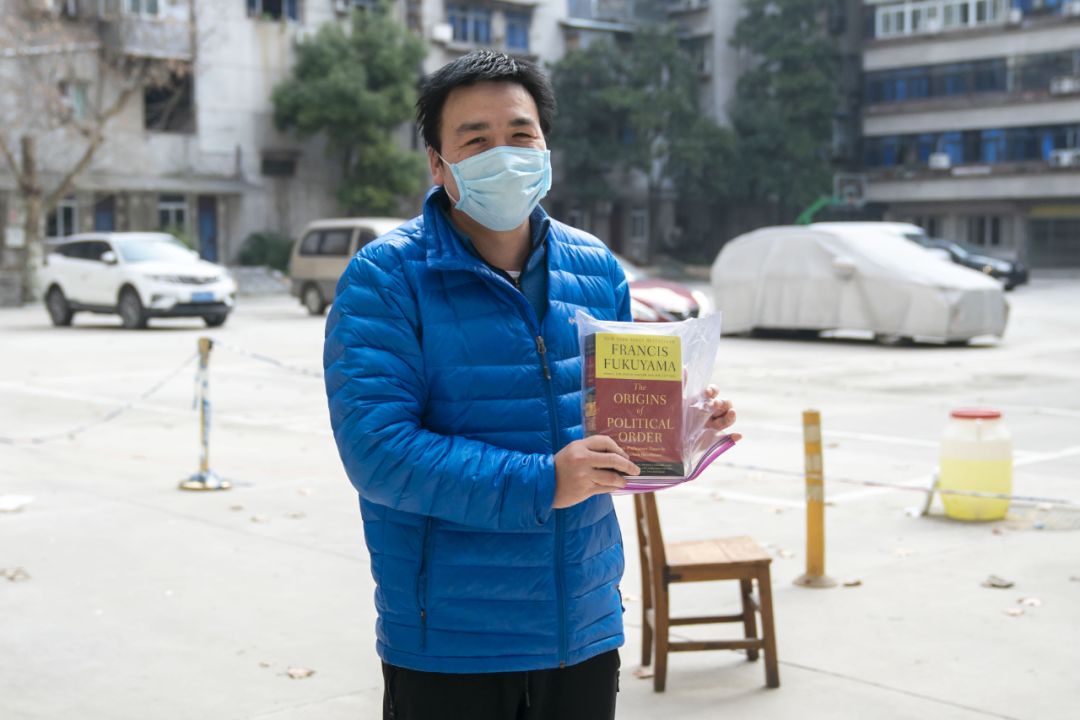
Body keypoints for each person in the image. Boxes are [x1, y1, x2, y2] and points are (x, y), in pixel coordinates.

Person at [323, 50, 737, 720]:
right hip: (452, 638)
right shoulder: (386, 277)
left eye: (521, 135)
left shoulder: (595, 268)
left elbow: (612, 438)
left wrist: (682, 427)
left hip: (583, 622)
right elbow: (378, 452)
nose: (504, 155)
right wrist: (545, 481)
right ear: (438, 163)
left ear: (545, 148)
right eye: (476, 140)